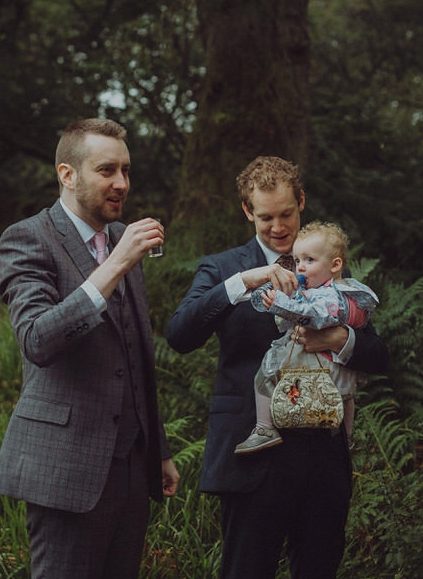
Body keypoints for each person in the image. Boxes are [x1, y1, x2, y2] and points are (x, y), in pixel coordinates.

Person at [166, 156, 388, 579]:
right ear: (248, 211)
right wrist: (243, 282)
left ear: (301, 202)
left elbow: (379, 354)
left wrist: (340, 340)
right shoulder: (222, 268)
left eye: (287, 213)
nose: (278, 227)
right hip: (252, 458)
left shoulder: (325, 264)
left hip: (323, 456)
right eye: (266, 217)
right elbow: (179, 335)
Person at [0, 118, 180, 579]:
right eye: (107, 170)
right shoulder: (28, 239)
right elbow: (38, 339)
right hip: (66, 469)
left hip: (132, 467)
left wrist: (158, 447)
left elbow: (136, 354)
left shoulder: (120, 239)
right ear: (67, 174)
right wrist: (114, 266)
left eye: (126, 171)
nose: (121, 184)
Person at [235, 221, 379, 454]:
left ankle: (265, 428)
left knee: (266, 375)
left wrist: (281, 304)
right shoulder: (313, 291)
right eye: (298, 260)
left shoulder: (333, 295)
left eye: (309, 260)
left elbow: (313, 315)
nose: (300, 268)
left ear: (335, 265)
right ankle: (346, 437)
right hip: (325, 367)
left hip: (324, 364)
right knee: (345, 394)